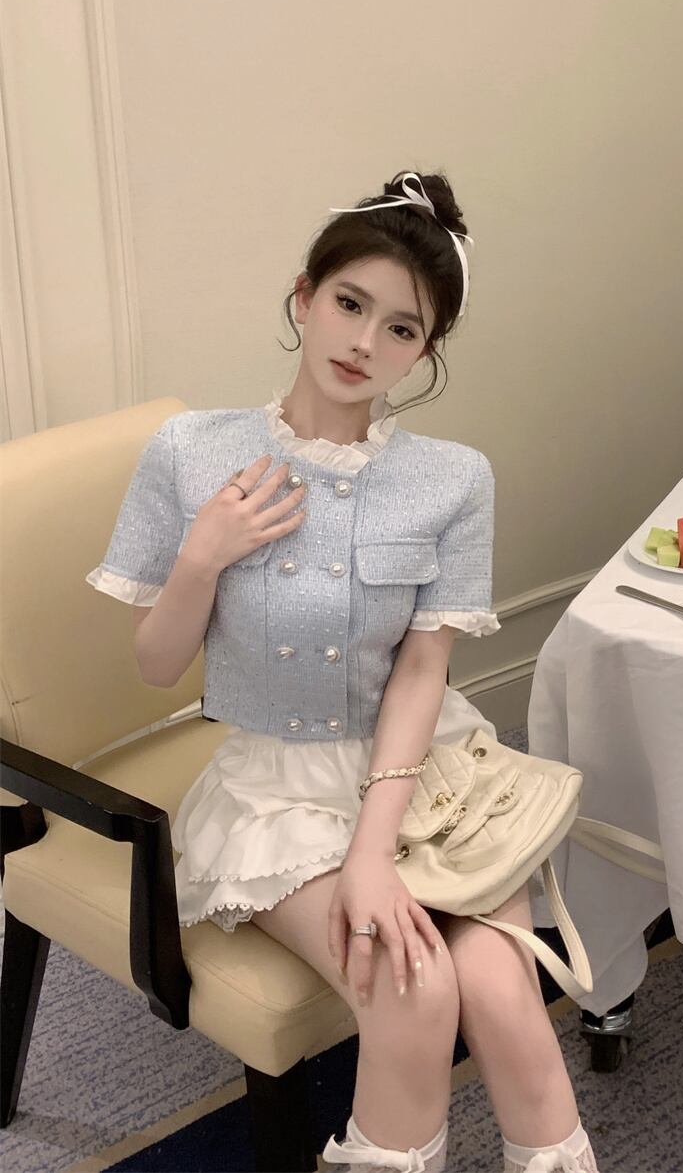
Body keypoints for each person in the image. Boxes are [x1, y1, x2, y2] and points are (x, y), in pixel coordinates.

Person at [86, 171, 600, 1173]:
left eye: (401, 328)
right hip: (277, 788)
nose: (365, 342)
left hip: (428, 770)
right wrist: (202, 556)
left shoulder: (454, 479)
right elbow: (155, 665)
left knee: (504, 993)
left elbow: (422, 672)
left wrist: (373, 848)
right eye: (349, 303)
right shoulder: (191, 451)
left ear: (425, 352)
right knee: (413, 987)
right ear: (304, 296)